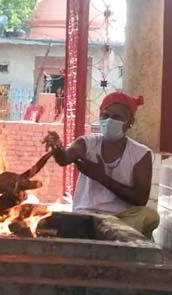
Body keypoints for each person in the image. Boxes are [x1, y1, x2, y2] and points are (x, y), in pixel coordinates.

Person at [51, 91, 159, 237]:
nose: (109, 121)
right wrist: (57, 147)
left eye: (116, 117)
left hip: (119, 219)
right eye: (105, 116)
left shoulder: (141, 154)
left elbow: (140, 199)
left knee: (150, 215)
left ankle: (113, 235)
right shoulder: (87, 143)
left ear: (130, 122)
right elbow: (64, 159)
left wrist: (102, 178)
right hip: (86, 215)